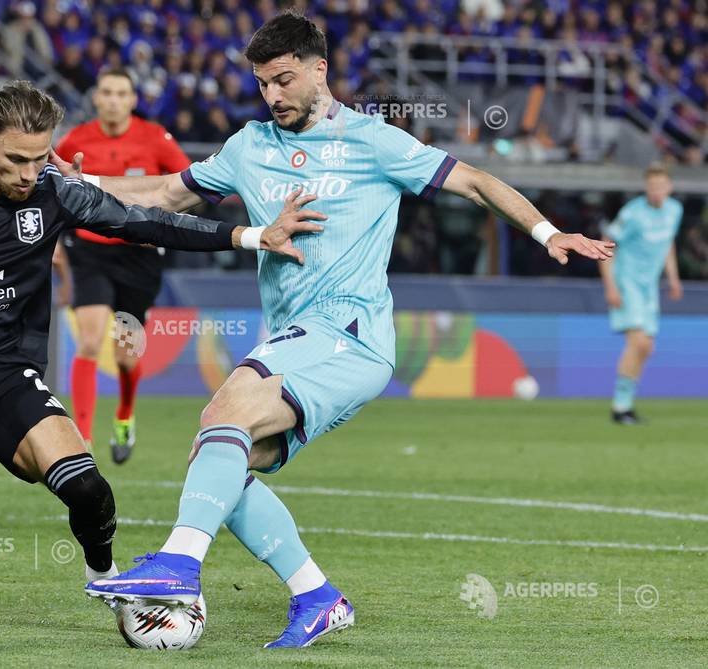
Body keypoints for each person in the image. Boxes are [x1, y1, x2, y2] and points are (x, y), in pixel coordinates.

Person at [71, 13, 613, 648]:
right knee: (220, 455)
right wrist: (80, 183)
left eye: (283, 79)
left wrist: (548, 232)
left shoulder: (374, 140)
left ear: (318, 69)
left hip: (349, 329)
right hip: (299, 337)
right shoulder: (249, 147)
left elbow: (474, 182)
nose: (272, 95)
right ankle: (317, 597)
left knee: (227, 407)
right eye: (262, 84)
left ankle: (179, 565)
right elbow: (165, 194)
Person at [0, 80, 318, 649]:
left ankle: (105, 579)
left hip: (5, 371)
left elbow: (146, 222)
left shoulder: (55, 190)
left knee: (89, 490)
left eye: (39, 158)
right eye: (15, 160)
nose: (28, 174)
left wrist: (250, 235)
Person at [57, 67, 191, 463]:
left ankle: (125, 414)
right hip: (89, 250)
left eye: (121, 93)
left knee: (125, 357)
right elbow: (49, 188)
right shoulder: (75, 141)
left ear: (133, 100)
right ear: (96, 98)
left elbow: (190, 186)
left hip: (138, 254)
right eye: (107, 93)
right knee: (89, 340)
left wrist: (162, 225)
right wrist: (54, 243)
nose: (114, 100)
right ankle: (82, 441)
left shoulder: (155, 138)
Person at [599, 163, 683, 424]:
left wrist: (673, 278)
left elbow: (667, 243)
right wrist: (611, 286)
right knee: (638, 343)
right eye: (652, 186)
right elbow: (606, 246)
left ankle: (626, 405)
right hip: (627, 283)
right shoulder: (632, 213)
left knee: (647, 348)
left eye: (661, 186)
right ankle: (619, 408)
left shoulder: (674, 210)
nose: (656, 191)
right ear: (646, 188)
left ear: (669, 187)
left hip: (649, 287)